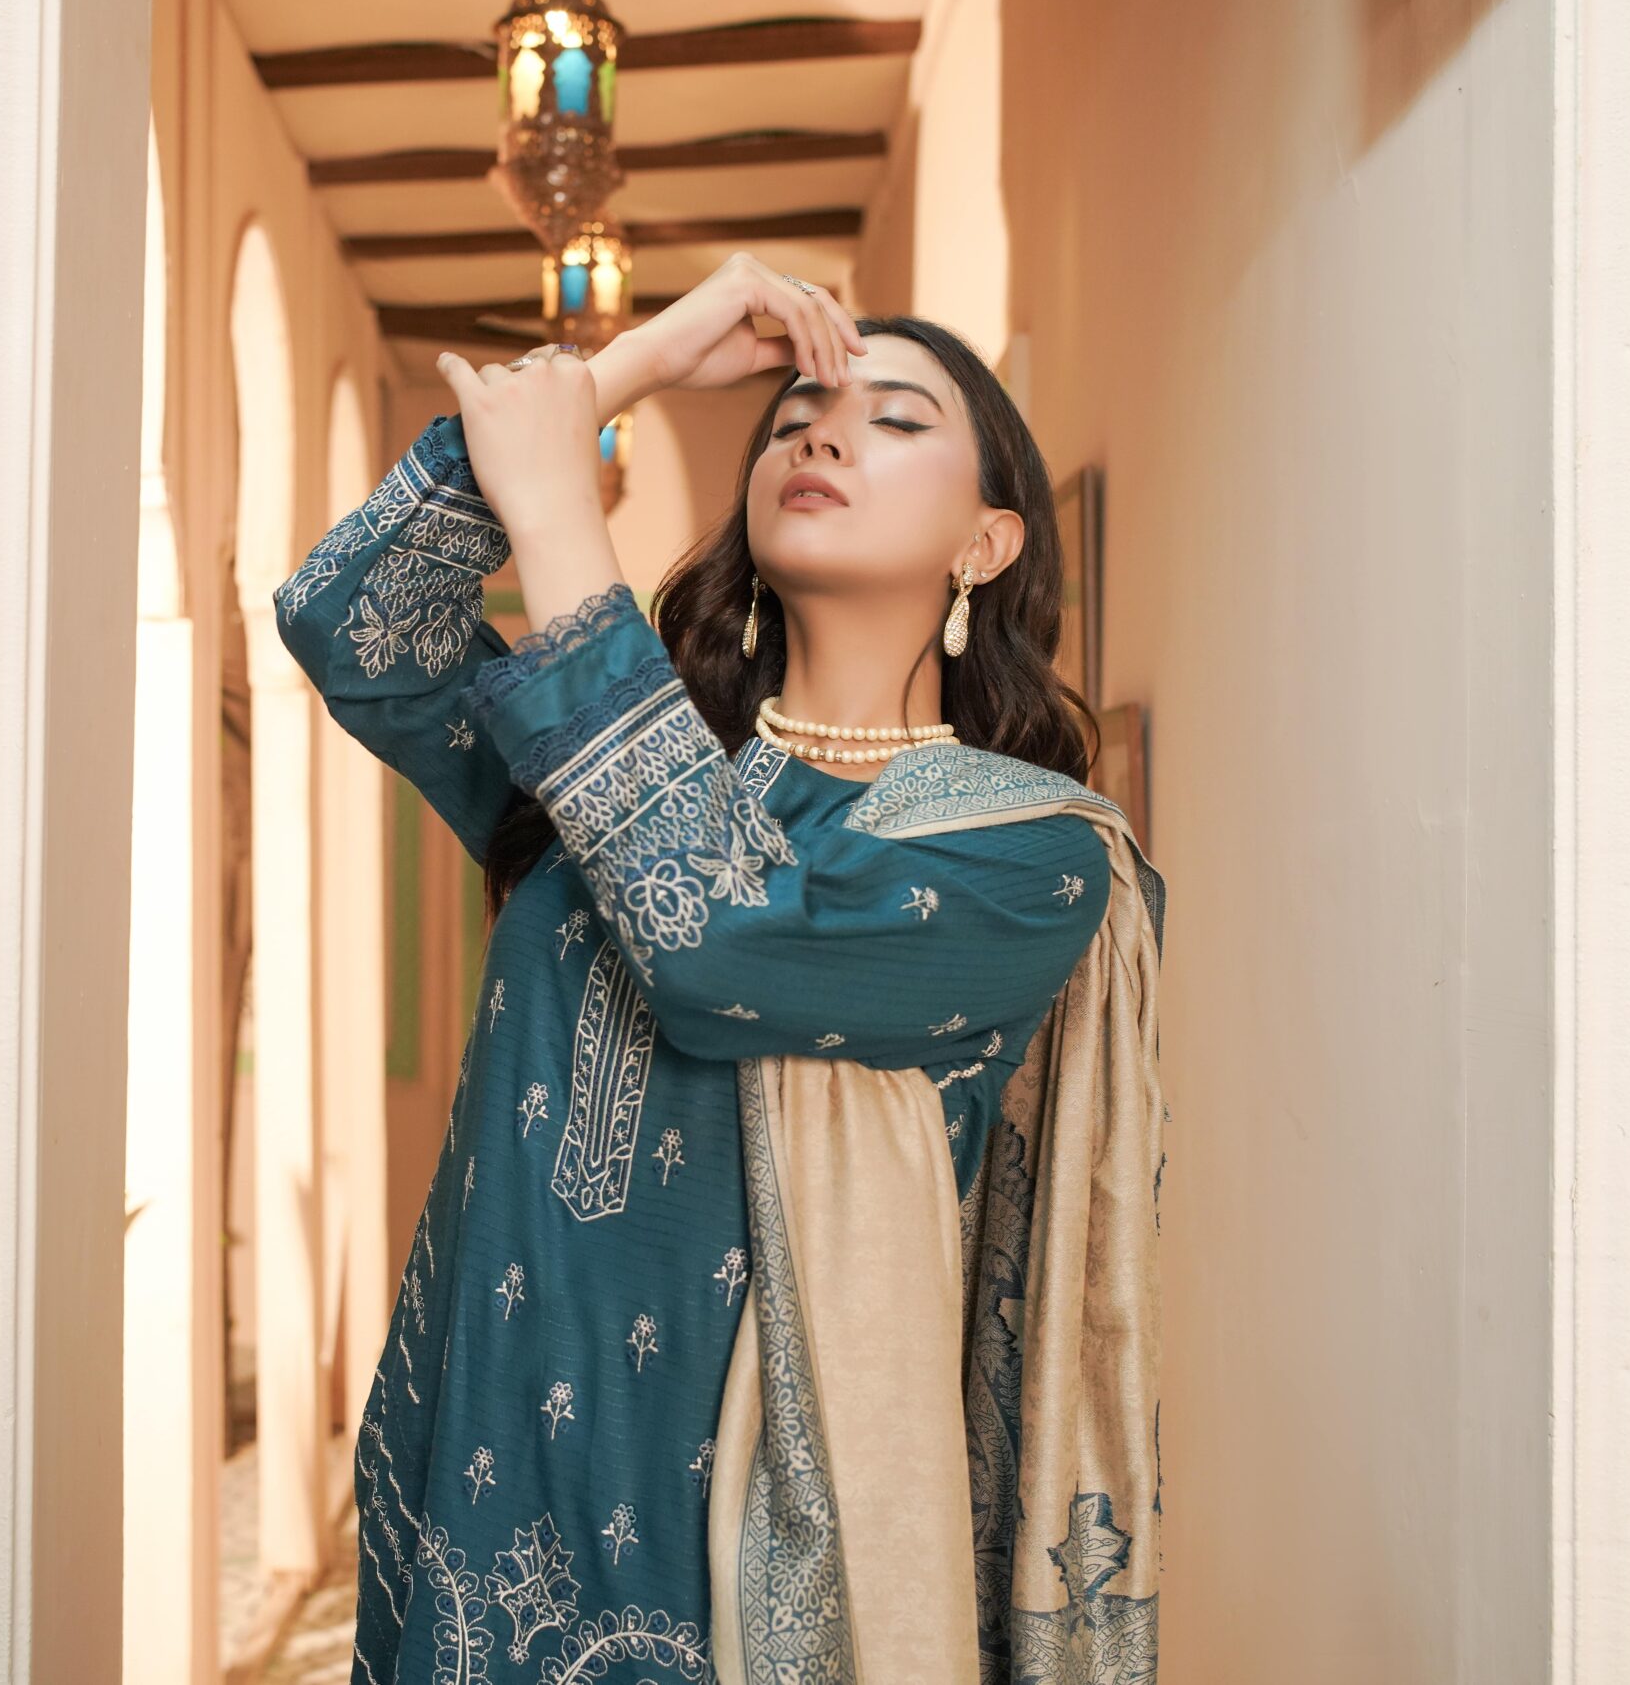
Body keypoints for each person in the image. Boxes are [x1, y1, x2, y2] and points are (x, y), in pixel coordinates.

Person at [273, 252, 1168, 1685]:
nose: (823, 436)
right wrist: (632, 366)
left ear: (987, 544)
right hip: (484, 1489)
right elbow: (349, 619)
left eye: (894, 419)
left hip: (729, 1564)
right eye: (797, 416)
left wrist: (560, 509)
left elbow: (718, 935)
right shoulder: (604, 756)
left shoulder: (1029, 857)